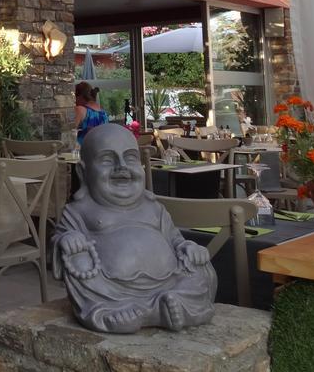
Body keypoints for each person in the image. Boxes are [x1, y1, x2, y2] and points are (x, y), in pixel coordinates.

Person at [53, 123, 216, 333]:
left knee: (200, 267)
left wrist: (189, 247)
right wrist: (67, 239)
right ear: (83, 173)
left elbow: (175, 240)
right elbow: (57, 247)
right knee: (77, 259)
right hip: (111, 290)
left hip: (170, 281)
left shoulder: (154, 208)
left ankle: (169, 306)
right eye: (107, 160)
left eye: (130, 157)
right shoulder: (80, 211)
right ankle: (111, 310)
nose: (121, 167)